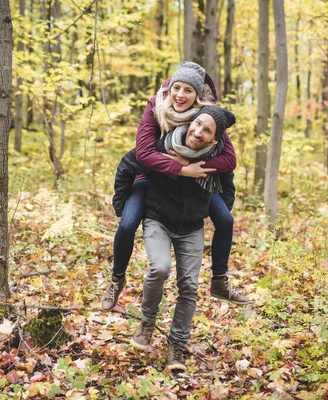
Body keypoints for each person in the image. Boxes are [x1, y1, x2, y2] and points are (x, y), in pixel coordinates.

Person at [102, 62, 249, 310]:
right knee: (127, 224)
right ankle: (117, 278)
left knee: (226, 219)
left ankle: (220, 281)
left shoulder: (206, 115)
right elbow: (143, 153)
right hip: (149, 176)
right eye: (176, 88)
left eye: (188, 91)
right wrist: (181, 168)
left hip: (196, 180)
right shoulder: (156, 108)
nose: (181, 95)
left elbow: (230, 160)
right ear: (169, 88)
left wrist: (194, 168)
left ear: (197, 96)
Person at [129, 106, 237, 371]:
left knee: (189, 286)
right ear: (190, 121)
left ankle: (176, 348)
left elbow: (228, 184)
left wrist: (219, 206)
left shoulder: (214, 160)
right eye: (197, 124)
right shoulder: (164, 144)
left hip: (191, 227)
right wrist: (125, 206)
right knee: (160, 268)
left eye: (207, 130)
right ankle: (147, 323)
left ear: (214, 139)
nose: (198, 132)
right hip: (158, 220)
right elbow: (131, 162)